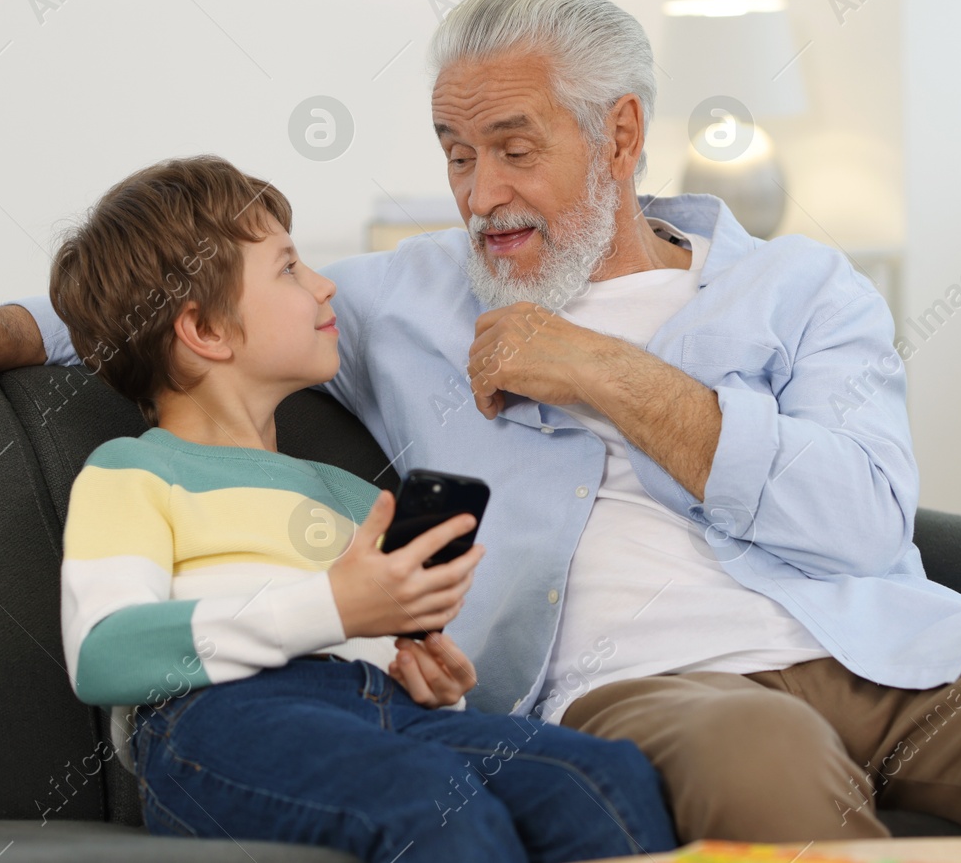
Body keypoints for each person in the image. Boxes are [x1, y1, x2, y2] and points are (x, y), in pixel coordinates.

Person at [0, 0, 961, 859]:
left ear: (623, 136)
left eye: (517, 144)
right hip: (647, 685)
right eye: (456, 151)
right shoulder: (400, 300)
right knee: (761, 767)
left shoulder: (802, 288)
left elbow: (865, 519)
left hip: (887, 635)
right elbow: (162, 303)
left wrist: (599, 368)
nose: (479, 189)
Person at [44, 156, 676, 863]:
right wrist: (331, 607)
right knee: (426, 795)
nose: (325, 285)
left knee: (602, 779)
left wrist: (438, 681)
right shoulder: (135, 470)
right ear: (206, 331)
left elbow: (372, 632)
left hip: (386, 711)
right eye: (288, 268)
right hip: (221, 720)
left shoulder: (352, 493)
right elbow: (105, 652)